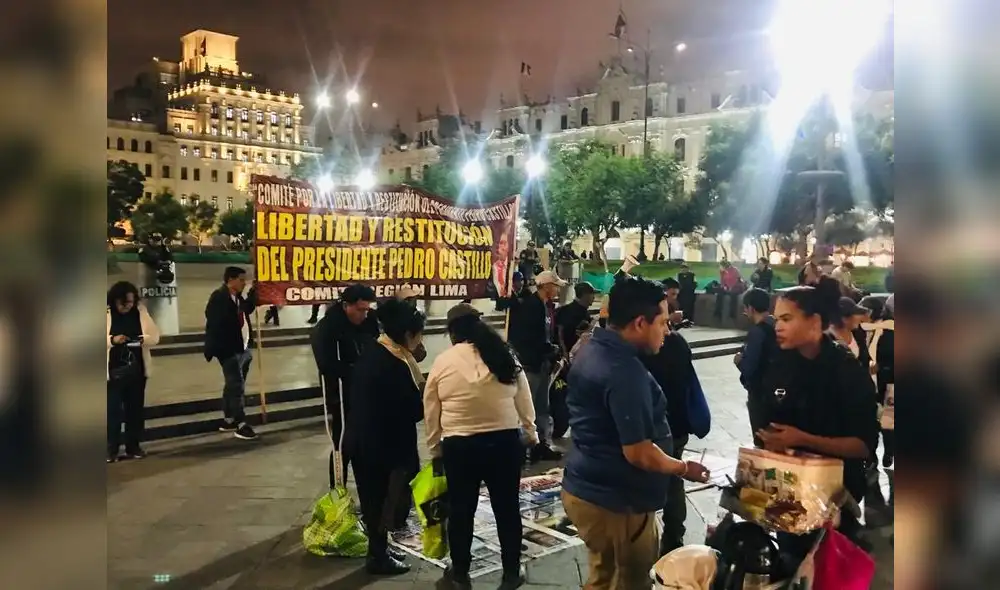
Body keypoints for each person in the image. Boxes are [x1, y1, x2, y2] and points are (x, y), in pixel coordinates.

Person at [562, 276, 710, 589]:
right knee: (631, 581)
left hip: (587, 487)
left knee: (603, 576)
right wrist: (683, 467)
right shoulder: (624, 372)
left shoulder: (592, 346)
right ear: (640, 322)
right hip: (618, 502)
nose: (667, 332)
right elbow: (638, 451)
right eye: (663, 322)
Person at [754, 277, 879, 550]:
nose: (778, 327)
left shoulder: (846, 371)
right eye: (776, 319)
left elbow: (862, 446)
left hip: (834, 499)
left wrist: (801, 439)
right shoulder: (779, 363)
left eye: (786, 319)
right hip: (788, 493)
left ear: (814, 322)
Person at [424, 303, 537, 589]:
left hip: (460, 446)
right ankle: (511, 571)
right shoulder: (503, 353)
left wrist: (435, 444)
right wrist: (530, 431)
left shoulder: (444, 361)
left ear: (452, 332)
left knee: (462, 509)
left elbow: (431, 405)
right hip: (504, 443)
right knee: (507, 508)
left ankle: (460, 572)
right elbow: (523, 397)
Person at [343, 299, 426, 576]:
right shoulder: (392, 363)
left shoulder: (379, 350)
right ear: (406, 334)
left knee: (375, 501)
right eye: (418, 334)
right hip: (380, 448)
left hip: (368, 442)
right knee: (382, 503)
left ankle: (379, 549)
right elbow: (410, 409)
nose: (420, 339)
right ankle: (377, 558)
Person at [640, 313, 701, 556]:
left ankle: (654, 536)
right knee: (674, 479)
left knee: (659, 479)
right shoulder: (678, 343)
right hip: (677, 424)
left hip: (659, 426)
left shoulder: (645, 350)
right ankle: (674, 535)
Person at [310, 284, 379, 488]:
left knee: (365, 443)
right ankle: (338, 488)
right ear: (346, 305)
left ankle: (367, 486)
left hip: (366, 393)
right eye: (359, 310)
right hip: (341, 393)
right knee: (342, 443)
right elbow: (327, 364)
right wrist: (357, 372)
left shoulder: (369, 321)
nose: (364, 314)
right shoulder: (328, 328)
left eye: (367, 309)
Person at [506, 270, 567, 462]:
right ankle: (526, 445)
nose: (558, 289)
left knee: (542, 406)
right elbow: (530, 338)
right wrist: (549, 349)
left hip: (542, 364)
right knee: (528, 407)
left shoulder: (545, 306)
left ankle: (542, 444)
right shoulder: (532, 307)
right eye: (556, 285)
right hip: (531, 365)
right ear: (546, 286)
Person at [107, 281, 160, 462]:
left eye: (130, 302)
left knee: (135, 411)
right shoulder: (106, 314)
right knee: (111, 412)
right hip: (112, 372)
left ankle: (133, 446)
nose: (127, 306)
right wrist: (112, 340)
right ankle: (110, 449)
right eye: (124, 303)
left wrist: (141, 339)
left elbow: (155, 336)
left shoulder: (140, 312)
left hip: (136, 371)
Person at [204, 266, 259, 441]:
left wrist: (255, 291)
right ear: (231, 280)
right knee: (236, 385)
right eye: (242, 280)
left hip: (242, 348)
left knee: (233, 385)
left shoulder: (237, 298)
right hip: (229, 349)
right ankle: (241, 423)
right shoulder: (219, 297)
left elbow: (246, 309)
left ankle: (228, 419)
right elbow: (216, 322)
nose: (244, 283)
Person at [734, 288, 778, 443]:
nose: (745, 312)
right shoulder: (778, 326)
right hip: (780, 394)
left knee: (762, 441)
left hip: (761, 396)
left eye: (745, 308)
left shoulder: (757, 332)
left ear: (751, 308)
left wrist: (739, 362)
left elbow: (749, 368)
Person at [555, 282, 596, 357]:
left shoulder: (585, 312)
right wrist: (564, 352)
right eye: (592, 294)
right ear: (584, 295)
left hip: (581, 355)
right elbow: (559, 333)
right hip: (568, 356)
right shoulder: (565, 311)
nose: (594, 297)